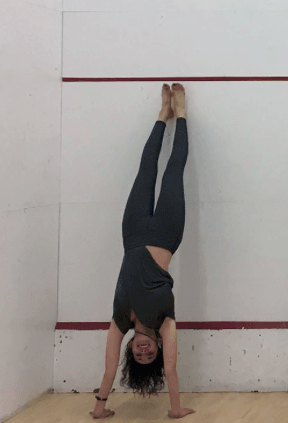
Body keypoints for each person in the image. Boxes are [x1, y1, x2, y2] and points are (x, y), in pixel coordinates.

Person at [90, 83, 194, 419]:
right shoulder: (166, 325)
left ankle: (162, 115)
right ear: (158, 349)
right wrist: (175, 409)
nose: (144, 352)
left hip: (132, 233)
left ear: (130, 351)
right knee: (173, 170)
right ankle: (181, 113)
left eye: (139, 356)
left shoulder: (119, 323)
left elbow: (109, 371)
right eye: (151, 356)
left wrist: (99, 408)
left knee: (146, 169)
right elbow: (172, 370)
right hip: (166, 233)